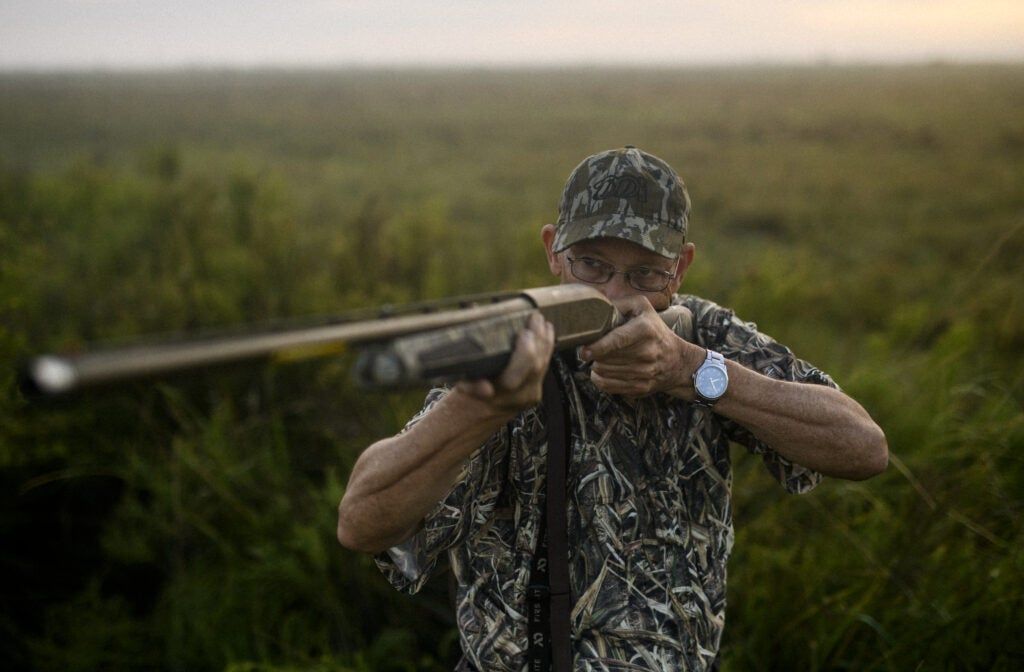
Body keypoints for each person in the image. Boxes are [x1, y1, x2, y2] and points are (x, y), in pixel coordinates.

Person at [336, 146, 888, 671]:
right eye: (592, 266)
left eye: (645, 273)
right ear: (553, 250)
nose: (618, 296)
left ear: (680, 267)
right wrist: (477, 410)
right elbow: (361, 523)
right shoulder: (516, 349)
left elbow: (865, 447)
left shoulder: (705, 333)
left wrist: (693, 370)